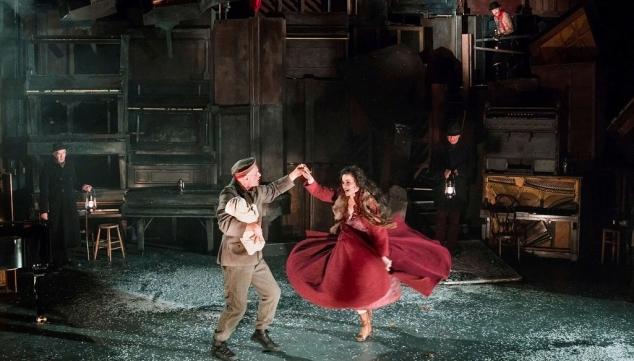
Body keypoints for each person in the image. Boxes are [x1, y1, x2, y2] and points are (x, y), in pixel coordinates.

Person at [286, 165, 451, 342]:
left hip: (364, 250)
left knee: (359, 290)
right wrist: (310, 180)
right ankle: (366, 318)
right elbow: (322, 192)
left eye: (348, 182)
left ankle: (365, 324)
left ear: (358, 183)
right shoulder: (342, 196)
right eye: (343, 182)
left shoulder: (367, 202)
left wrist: (383, 256)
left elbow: (378, 231)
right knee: (336, 280)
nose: (345, 185)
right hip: (345, 248)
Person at [211, 158, 306, 361]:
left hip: (254, 256)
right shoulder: (228, 195)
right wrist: (249, 226)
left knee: (273, 292)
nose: (260, 176)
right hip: (236, 259)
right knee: (237, 307)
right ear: (243, 177)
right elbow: (224, 224)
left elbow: (272, 189)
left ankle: (260, 331)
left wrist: (294, 176)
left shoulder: (255, 190)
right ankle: (219, 343)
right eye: (256, 173)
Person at [39, 143, 92, 268]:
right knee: (57, 231)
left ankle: (68, 258)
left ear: (66, 154)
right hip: (55, 205)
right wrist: (43, 210)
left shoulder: (70, 166)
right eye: (58, 153)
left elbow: (74, 182)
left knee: (68, 230)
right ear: (54, 155)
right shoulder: (47, 168)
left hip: (69, 204)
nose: (61, 156)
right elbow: (44, 191)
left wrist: (82, 187)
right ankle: (56, 261)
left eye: (63, 153)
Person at [431, 115, 474, 255]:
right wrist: (443, 172)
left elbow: (471, 169)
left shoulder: (466, 150)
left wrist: (459, 171)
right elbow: (432, 170)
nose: (452, 139)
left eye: (454, 136)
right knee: (441, 220)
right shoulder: (439, 149)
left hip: (458, 191)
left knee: (455, 221)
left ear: (459, 136)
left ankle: (451, 248)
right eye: (450, 136)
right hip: (442, 191)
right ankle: (438, 247)